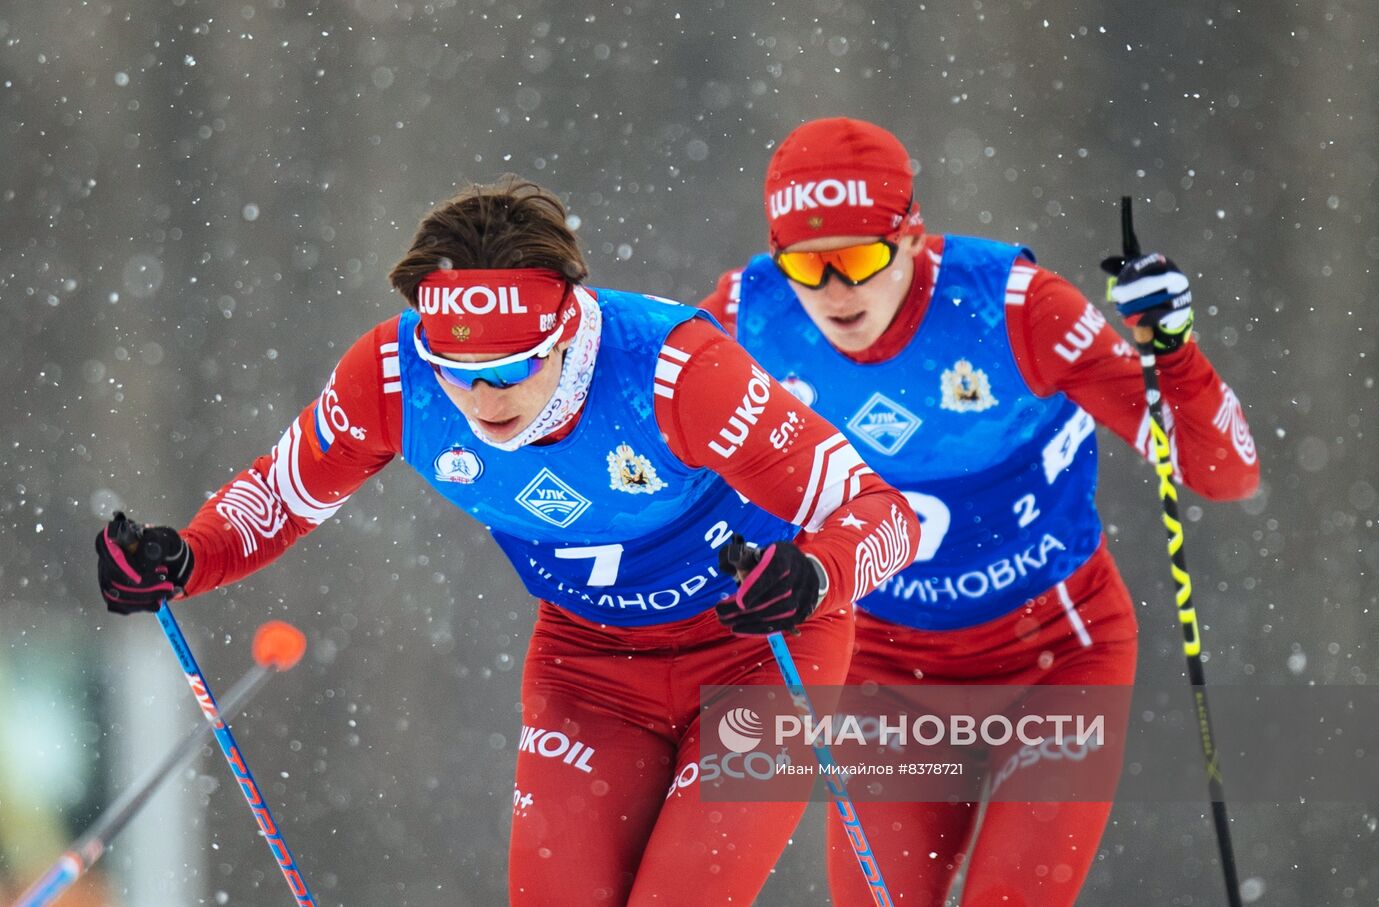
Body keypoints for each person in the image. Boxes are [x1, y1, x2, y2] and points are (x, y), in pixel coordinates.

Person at [94, 177, 920, 906]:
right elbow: (278, 496)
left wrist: (815, 575)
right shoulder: (394, 374)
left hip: (760, 650)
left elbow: (885, 513)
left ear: (566, 333)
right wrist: (185, 557)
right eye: (458, 370)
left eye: (513, 367)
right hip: (589, 662)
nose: (482, 398)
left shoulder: (674, 370)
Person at [700, 118, 1260, 907]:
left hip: (1056, 660)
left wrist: (1174, 349)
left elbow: (1223, 472)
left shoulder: (1016, 307)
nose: (837, 291)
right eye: (806, 265)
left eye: (860, 258)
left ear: (911, 235)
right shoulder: (743, 318)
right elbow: (665, 473)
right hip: (885, 673)